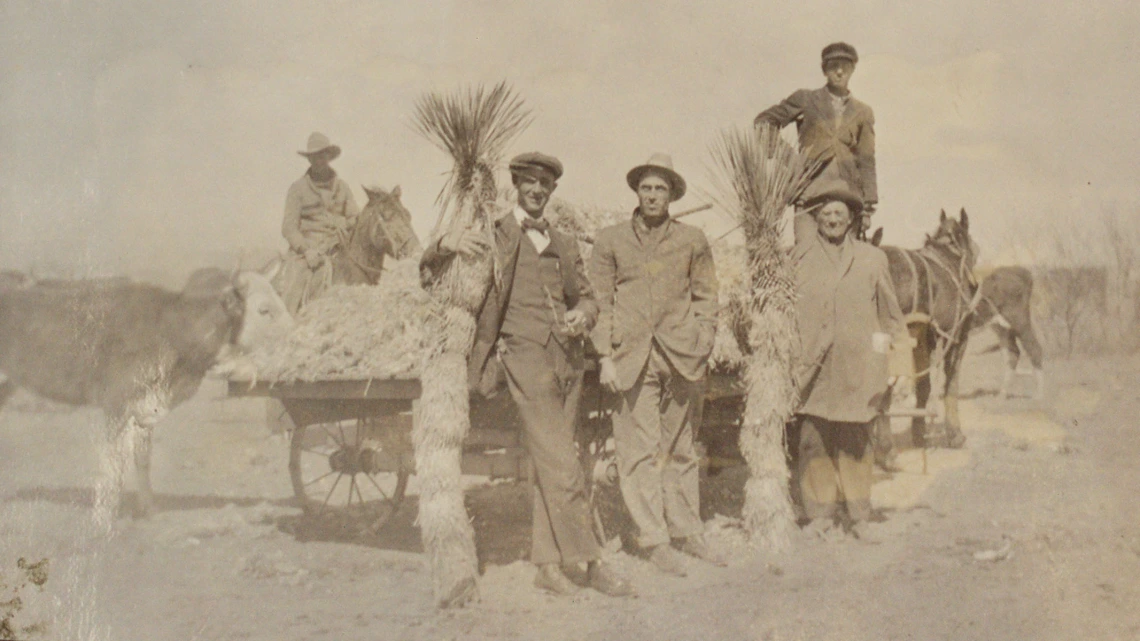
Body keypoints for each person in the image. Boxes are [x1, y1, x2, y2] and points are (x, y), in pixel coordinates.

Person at [419, 152, 633, 598]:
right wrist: (445, 244)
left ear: (552, 191)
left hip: (567, 363)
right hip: (522, 359)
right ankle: (590, 562)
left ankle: (549, 566)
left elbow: (590, 300)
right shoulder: (492, 235)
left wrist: (581, 316)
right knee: (564, 464)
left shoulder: (566, 241)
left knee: (550, 462)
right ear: (515, 185)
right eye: (530, 182)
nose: (537, 190)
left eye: (545, 184)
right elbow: (430, 276)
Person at [590, 154, 723, 576]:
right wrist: (605, 357)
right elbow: (600, 303)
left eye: (660, 189)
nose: (652, 196)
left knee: (680, 448)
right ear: (636, 192)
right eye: (646, 188)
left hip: (682, 357)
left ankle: (687, 530)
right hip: (631, 360)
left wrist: (702, 343)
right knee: (638, 452)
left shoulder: (692, 239)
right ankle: (653, 538)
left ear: (672, 195)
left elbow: (707, 297)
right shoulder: (610, 240)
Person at [791, 181, 912, 541]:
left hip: (858, 369)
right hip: (813, 369)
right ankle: (820, 516)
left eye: (839, 214)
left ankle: (859, 517)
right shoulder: (798, 258)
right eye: (825, 213)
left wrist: (900, 367)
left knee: (856, 442)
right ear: (816, 219)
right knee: (814, 442)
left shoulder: (872, 258)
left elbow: (891, 316)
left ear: (851, 219)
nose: (832, 219)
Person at [755, 42, 877, 243]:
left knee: (847, 263)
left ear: (852, 70)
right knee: (807, 257)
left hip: (848, 199)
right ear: (824, 70)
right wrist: (791, 159)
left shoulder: (863, 111)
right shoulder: (806, 99)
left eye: (845, 66)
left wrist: (868, 207)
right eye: (833, 65)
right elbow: (764, 123)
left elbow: (867, 159)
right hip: (809, 195)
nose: (839, 71)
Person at [277, 132, 360, 314]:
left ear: (329, 157)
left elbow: (355, 217)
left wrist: (344, 224)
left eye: (323, 155)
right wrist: (306, 251)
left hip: (339, 248)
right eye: (314, 157)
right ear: (309, 160)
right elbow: (289, 227)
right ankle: (287, 328)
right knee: (295, 284)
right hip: (308, 251)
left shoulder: (342, 187)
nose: (319, 160)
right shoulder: (297, 189)